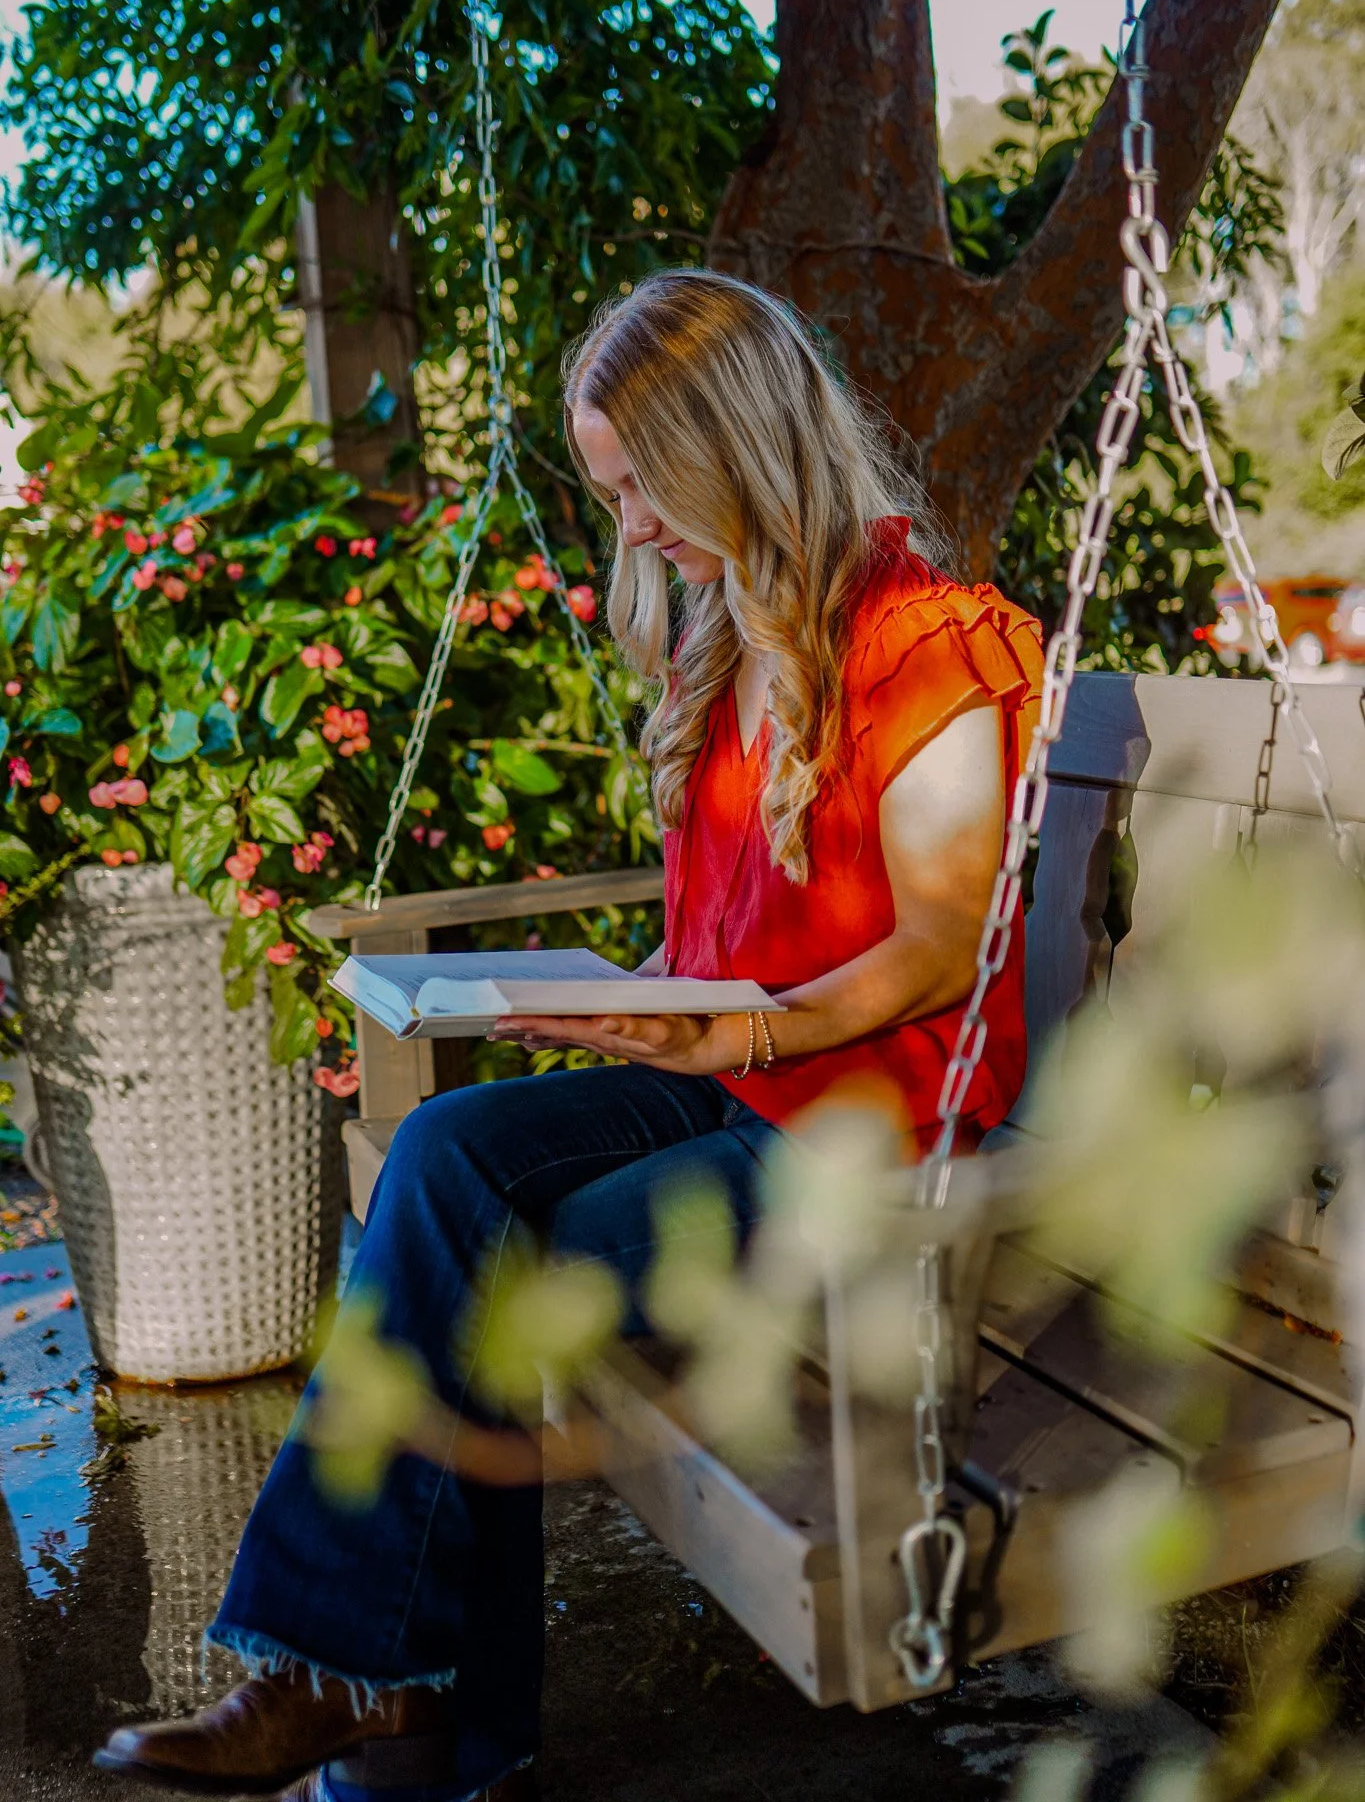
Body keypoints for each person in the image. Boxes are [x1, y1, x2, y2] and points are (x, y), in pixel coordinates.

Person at [94, 270, 1042, 1801]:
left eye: (647, 489)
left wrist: (736, 1040)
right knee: (445, 1151)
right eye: (613, 498)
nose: (637, 530)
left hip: (864, 1131)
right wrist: (628, 993)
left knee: (467, 1272)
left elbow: (941, 947)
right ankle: (388, 1711)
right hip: (737, 1077)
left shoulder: (929, 639)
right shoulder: (726, 641)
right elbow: (731, 932)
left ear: (738, 446)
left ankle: (396, 1721)